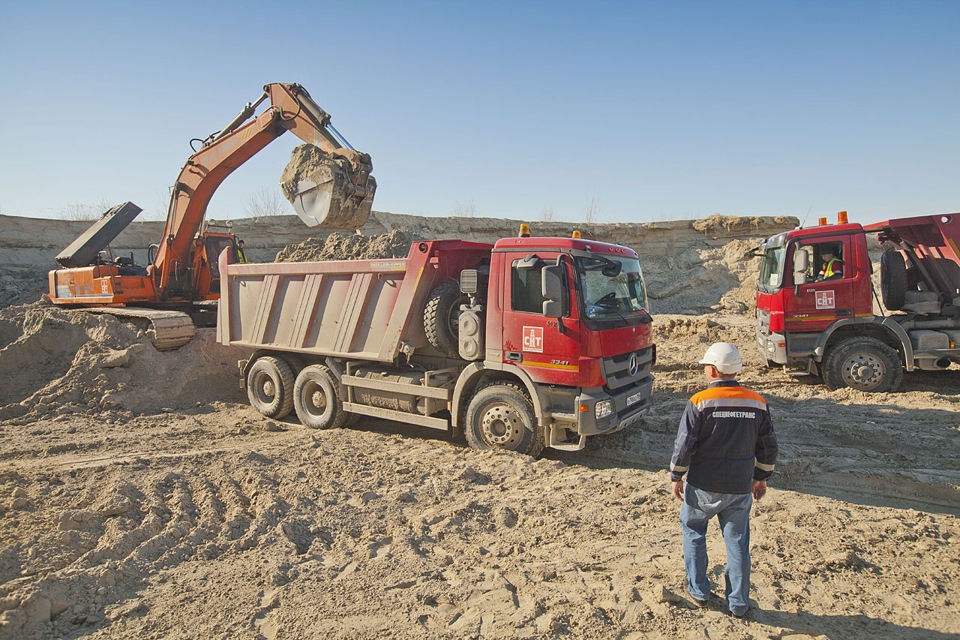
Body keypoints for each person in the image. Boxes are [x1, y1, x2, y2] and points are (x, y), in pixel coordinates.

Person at [670, 342, 778, 618]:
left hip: (703, 485)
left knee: (694, 533)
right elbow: (767, 447)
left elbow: (684, 446)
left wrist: (676, 475)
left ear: (714, 370)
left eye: (707, 366)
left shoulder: (699, 402)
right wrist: (761, 478)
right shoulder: (757, 402)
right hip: (740, 486)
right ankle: (739, 603)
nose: (705, 369)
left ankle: (698, 591)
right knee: (738, 543)